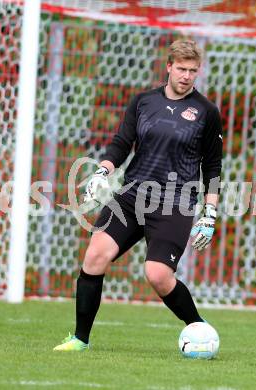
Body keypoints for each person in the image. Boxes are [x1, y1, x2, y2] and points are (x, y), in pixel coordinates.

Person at [53, 39, 223, 351]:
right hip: (131, 197)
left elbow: (212, 166)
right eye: (181, 69)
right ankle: (79, 339)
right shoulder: (144, 101)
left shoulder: (207, 112)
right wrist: (102, 171)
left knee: (157, 275)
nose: (187, 75)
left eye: (193, 71)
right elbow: (121, 142)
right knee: (94, 257)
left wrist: (209, 214)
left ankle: (200, 331)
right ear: (169, 67)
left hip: (175, 202)